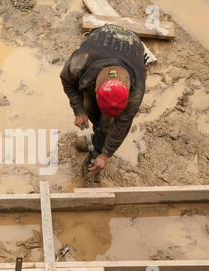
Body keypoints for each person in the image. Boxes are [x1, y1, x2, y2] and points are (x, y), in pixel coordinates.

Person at [60, 24, 147, 186]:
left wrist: (106, 154)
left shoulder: (136, 91)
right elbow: (67, 80)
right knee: (89, 108)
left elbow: (123, 124)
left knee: (108, 124)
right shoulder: (80, 62)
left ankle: (97, 147)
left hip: (132, 45)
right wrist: (79, 111)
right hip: (103, 37)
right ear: (95, 89)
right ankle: (97, 135)